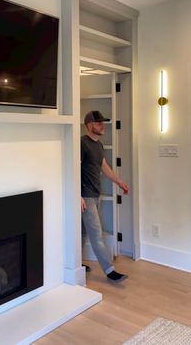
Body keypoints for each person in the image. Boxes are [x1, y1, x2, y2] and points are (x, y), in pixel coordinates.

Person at [81, 110, 129, 283]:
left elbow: (104, 166)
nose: (103, 126)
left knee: (82, 232)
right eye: (99, 123)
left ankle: (77, 263)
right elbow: (74, 167)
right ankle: (110, 271)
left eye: (103, 122)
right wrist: (77, 195)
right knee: (96, 234)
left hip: (95, 194)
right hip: (85, 196)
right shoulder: (82, 143)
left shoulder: (98, 145)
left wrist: (119, 182)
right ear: (89, 125)